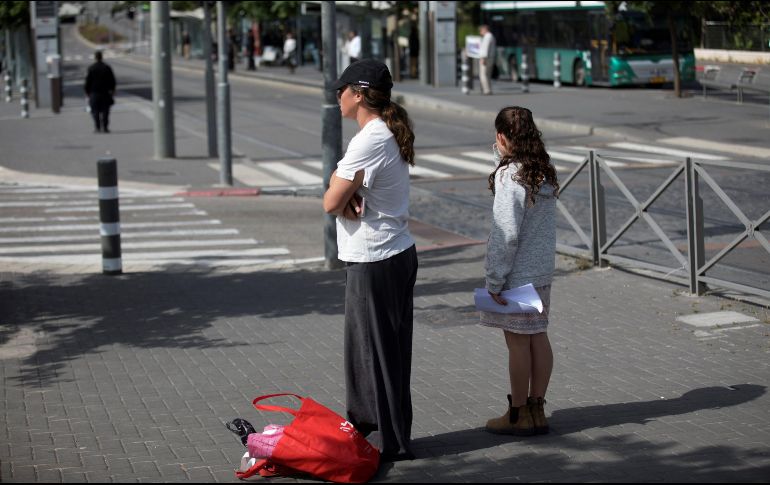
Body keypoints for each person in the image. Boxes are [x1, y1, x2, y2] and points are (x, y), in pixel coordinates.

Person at [323, 59, 418, 462]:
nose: (337, 96)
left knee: (369, 354)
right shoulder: (381, 134)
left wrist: (343, 197)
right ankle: (390, 436)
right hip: (391, 254)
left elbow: (330, 199)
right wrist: (346, 196)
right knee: (387, 353)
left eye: (341, 89)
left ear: (358, 94)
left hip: (375, 257)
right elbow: (340, 194)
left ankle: (379, 441)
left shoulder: (369, 140)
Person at [481, 106, 559, 436]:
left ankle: (516, 414)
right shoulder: (543, 170)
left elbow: (505, 232)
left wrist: (494, 279)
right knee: (538, 337)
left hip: (516, 275)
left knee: (517, 343)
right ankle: (537, 409)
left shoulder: (509, 175)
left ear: (501, 137)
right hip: (541, 272)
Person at [84, 51, 116, 133]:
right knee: (105, 111)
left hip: (94, 92)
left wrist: (87, 92)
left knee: (95, 111)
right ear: (102, 57)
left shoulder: (91, 68)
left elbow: (88, 81)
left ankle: (97, 127)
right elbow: (112, 80)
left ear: (95, 58)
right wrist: (112, 90)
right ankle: (105, 127)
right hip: (105, 92)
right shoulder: (107, 67)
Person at [478, 24, 496, 95]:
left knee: (483, 74)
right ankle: (489, 89)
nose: (480, 32)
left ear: (484, 30)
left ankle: (486, 90)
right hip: (490, 57)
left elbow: (485, 48)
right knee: (488, 74)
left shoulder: (487, 36)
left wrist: (483, 58)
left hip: (486, 58)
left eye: (481, 30)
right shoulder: (491, 36)